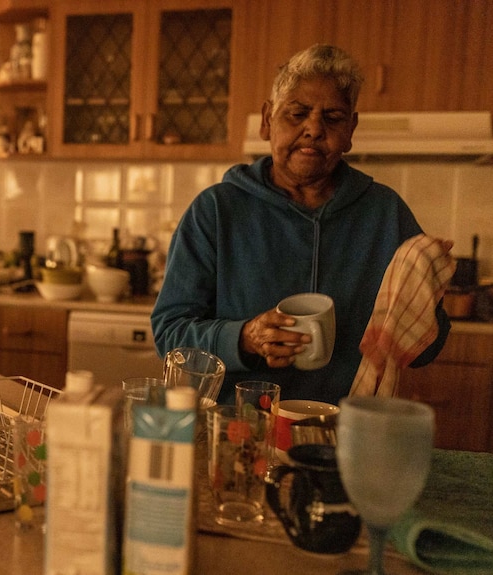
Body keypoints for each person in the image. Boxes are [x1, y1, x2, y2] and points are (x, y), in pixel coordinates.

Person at [151, 44, 451, 406]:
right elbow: (170, 334)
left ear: (351, 129)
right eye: (297, 113)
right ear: (267, 120)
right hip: (240, 429)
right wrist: (244, 338)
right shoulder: (216, 211)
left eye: (333, 117)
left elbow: (427, 347)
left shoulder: (386, 214)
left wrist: (417, 320)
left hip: (343, 429)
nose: (313, 129)